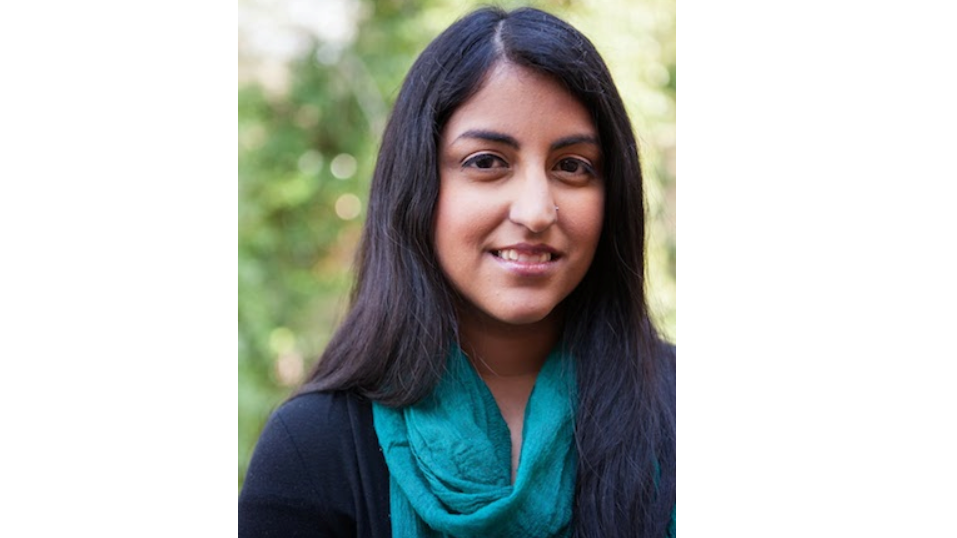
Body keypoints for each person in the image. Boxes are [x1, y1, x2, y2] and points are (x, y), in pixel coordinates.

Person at [239, 6, 675, 538]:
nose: (536, 211)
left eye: (571, 166)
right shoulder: (312, 450)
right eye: (487, 162)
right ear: (418, 186)